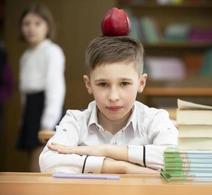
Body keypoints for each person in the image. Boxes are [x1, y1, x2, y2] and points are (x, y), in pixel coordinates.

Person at [39, 36, 178, 174]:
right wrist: (121, 167)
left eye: (124, 83)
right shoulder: (75, 120)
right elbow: (48, 161)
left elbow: (176, 160)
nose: (113, 97)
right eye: (103, 84)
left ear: (141, 83)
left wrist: (104, 150)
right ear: (89, 84)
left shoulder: (155, 119)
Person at [17, 3, 65, 172]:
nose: (31, 28)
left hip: (45, 109)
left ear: (47, 26)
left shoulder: (52, 51)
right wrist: (23, 118)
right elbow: (25, 92)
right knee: (32, 157)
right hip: (31, 108)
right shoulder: (26, 56)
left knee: (40, 160)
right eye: (26, 23)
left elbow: (55, 88)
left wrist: (48, 123)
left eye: (37, 23)